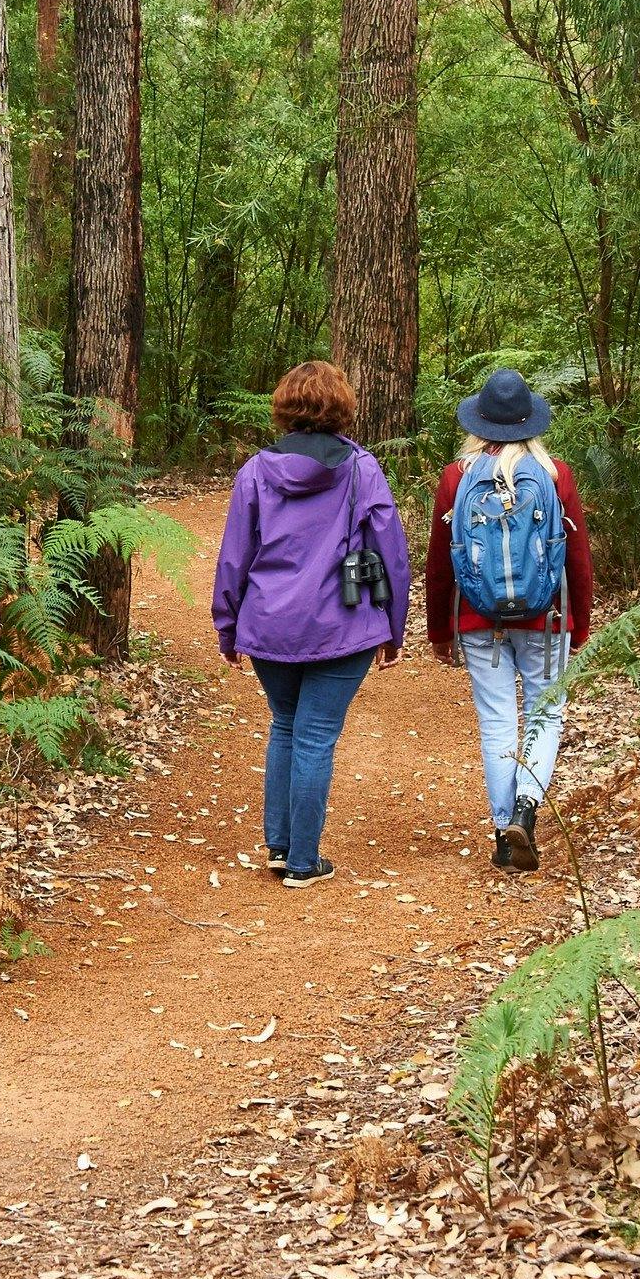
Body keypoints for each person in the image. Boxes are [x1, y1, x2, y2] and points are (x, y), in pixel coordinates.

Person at [210, 361, 412, 888]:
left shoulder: (256, 471)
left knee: (285, 725)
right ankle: (303, 861)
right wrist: (394, 625)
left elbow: (235, 556)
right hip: (343, 627)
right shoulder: (362, 469)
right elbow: (390, 553)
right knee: (315, 736)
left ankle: (280, 847)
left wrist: (228, 626)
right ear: (341, 407)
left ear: (284, 408)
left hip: (270, 624)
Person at [423, 368, 595, 873]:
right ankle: (527, 807)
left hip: (478, 619)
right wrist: (578, 625)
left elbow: (440, 561)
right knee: (545, 715)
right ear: (530, 422)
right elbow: (577, 556)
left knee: (497, 720)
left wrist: (439, 630)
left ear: (478, 424)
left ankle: (503, 833)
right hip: (548, 617)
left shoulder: (457, 477)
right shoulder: (555, 474)